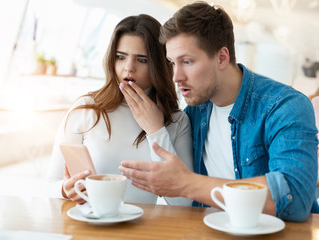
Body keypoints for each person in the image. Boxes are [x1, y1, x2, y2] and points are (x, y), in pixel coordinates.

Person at [119, 2, 319, 221]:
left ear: (222, 57)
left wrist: (187, 183)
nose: (177, 76)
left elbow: (295, 198)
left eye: (187, 61)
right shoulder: (194, 114)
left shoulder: (285, 107)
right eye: (172, 63)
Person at [46, 14, 193, 206]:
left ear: (158, 64)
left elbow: (182, 204)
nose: (128, 68)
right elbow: (51, 185)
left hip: (143, 231)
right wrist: (65, 190)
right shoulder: (86, 109)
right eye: (121, 57)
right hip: (91, 228)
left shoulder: (176, 120)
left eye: (142, 60)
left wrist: (156, 130)